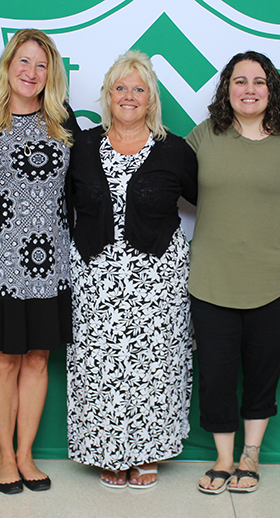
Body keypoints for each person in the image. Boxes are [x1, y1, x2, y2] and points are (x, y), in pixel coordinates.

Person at [67, 50, 197, 489]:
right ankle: (107, 449)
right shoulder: (81, 146)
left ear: (151, 98)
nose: (129, 96)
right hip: (96, 274)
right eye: (120, 87)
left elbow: (211, 199)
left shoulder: (176, 150)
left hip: (158, 276)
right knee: (101, 364)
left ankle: (146, 452)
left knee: (154, 363)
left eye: (138, 89)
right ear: (107, 95)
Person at [186, 51, 280, 495]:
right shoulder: (204, 137)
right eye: (240, 81)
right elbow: (165, 179)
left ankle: (250, 456)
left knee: (262, 372)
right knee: (216, 373)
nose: (250, 89)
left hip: (279, 279)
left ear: (273, 89)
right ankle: (222, 456)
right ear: (226, 90)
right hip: (212, 278)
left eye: (259, 81)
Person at [0, 29, 78, 494]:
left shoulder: (61, 119)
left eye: (41, 65)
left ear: (51, 74)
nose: (31, 73)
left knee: (36, 357)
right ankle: (4, 458)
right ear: (8, 65)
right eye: (23, 62)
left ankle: (28, 454)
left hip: (48, 263)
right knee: (3, 359)